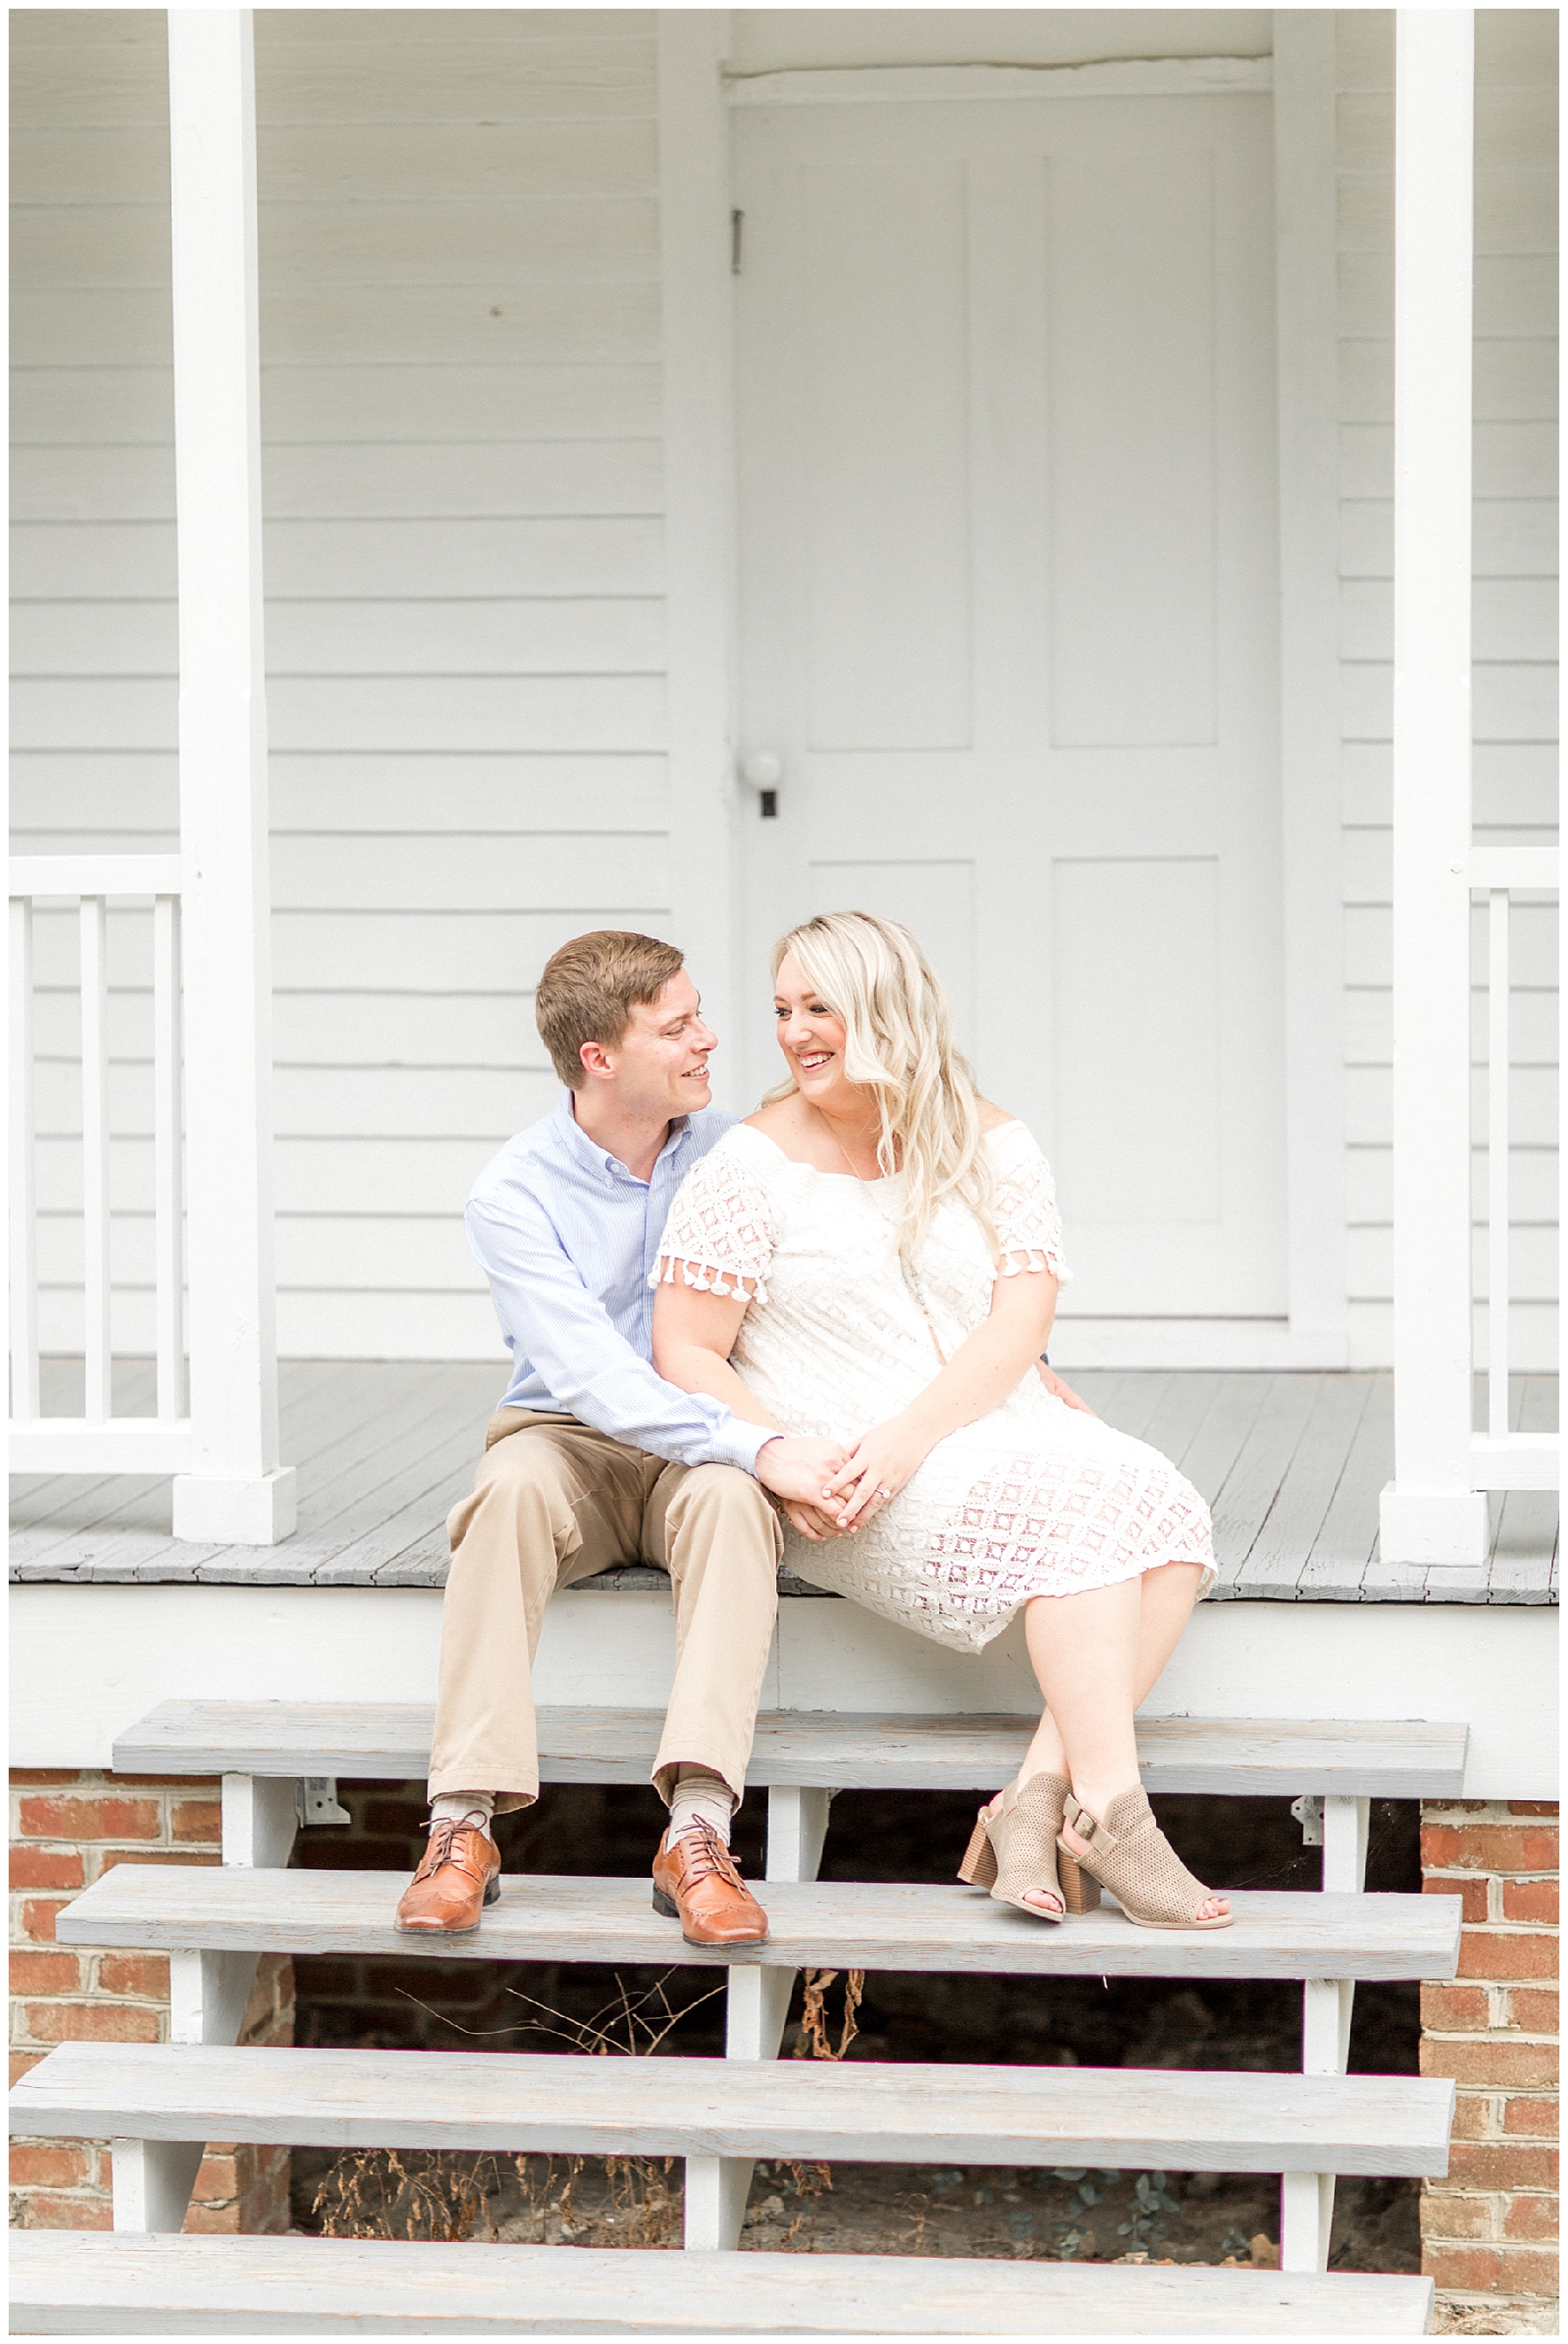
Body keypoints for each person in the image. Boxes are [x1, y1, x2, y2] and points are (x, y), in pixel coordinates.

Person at [651, 911, 1230, 1930]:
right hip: (848, 1470)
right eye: (783, 1009)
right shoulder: (748, 1165)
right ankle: (1114, 1808)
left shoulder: (989, 1137)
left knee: (1170, 1517)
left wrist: (928, 1426)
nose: (794, 1032)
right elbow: (686, 1348)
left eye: (820, 1006)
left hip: (974, 1426)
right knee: (1091, 1517)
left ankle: (1032, 1801)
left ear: (886, 1007)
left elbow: (1023, 1312)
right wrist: (782, 1457)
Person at [395, 930, 854, 1947]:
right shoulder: (513, 1193)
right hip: (571, 1439)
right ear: (600, 1057)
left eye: (699, 1014)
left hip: (703, 1449)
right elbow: (595, 1378)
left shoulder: (741, 1153)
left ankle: (696, 1832)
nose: (711, 1038)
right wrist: (757, 1442)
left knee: (735, 1500)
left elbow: (858, 1266)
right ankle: (461, 1824)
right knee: (507, 1489)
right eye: (678, 1024)